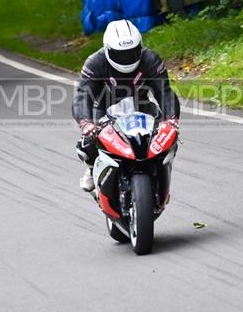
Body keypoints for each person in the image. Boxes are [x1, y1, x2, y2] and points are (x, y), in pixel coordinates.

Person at [72, 19, 180, 195]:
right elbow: (83, 95)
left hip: (143, 106)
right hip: (104, 108)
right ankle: (93, 167)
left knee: (169, 136)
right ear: (107, 50)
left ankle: (161, 175)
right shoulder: (94, 63)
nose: (126, 58)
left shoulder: (151, 59)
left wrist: (171, 120)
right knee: (87, 144)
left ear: (140, 47)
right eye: (120, 54)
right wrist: (86, 124)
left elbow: (165, 92)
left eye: (131, 52)